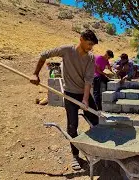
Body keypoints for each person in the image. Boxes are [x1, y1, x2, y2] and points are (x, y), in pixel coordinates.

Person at [30, 30, 99, 171]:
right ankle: (75, 156)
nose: (91, 47)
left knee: (96, 120)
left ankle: (96, 149)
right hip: (70, 94)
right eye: (89, 44)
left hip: (83, 93)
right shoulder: (67, 50)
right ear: (81, 39)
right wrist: (35, 74)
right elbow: (44, 55)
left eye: (92, 45)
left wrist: (85, 99)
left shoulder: (91, 58)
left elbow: (88, 80)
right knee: (72, 126)